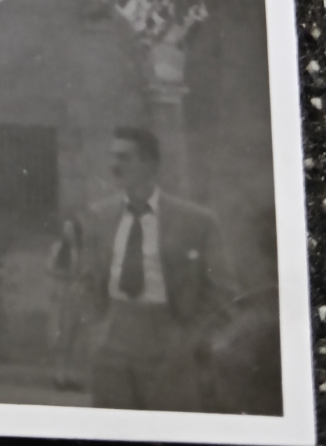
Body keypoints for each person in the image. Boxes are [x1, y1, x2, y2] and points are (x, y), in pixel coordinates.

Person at [82, 126, 231, 412]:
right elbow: (88, 279)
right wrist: (97, 330)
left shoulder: (197, 221)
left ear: (150, 163)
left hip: (169, 341)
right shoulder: (98, 216)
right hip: (111, 339)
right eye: (113, 157)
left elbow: (223, 291)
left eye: (124, 158)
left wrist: (188, 339)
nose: (115, 165)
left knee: (168, 435)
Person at [47, 216, 85, 391]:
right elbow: (49, 268)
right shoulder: (58, 248)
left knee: (75, 336)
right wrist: (67, 276)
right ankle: (58, 375)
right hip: (62, 294)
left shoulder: (82, 250)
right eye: (65, 229)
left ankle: (70, 375)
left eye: (70, 229)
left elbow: (86, 271)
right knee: (61, 334)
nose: (67, 233)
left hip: (77, 295)